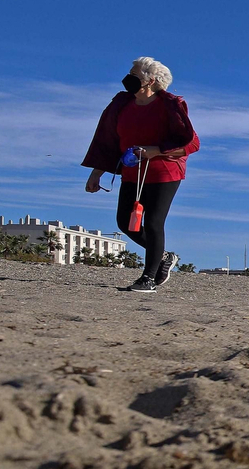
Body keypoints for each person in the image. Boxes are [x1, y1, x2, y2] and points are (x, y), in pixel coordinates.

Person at [81, 57, 199, 293]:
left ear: (150, 81)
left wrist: (155, 151)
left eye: (133, 74)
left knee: (154, 223)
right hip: (132, 172)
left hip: (164, 172)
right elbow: (109, 143)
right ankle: (164, 257)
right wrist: (96, 173)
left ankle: (148, 278)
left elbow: (191, 143)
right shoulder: (121, 105)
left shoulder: (169, 105)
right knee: (126, 224)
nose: (127, 78)